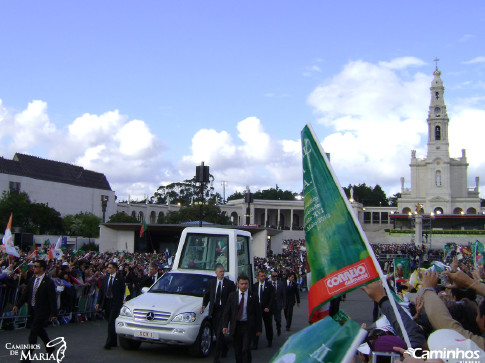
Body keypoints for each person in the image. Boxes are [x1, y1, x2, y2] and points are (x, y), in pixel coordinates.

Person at [12, 260, 58, 356]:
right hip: (33, 309)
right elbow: (26, 294)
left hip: (43, 311)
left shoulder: (48, 282)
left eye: (36, 266)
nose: (34, 268)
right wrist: (17, 305)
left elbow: (52, 299)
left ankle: (27, 355)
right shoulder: (32, 280)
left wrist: (54, 313)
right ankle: (50, 347)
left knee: (33, 332)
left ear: (42, 268)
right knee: (39, 330)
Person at [222, 275, 262, 363]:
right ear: (238, 284)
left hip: (248, 326)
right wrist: (225, 325)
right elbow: (227, 311)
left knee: (246, 349)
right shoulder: (232, 296)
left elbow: (258, 314)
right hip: (236, 325)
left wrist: (259, 329)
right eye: (242, 284)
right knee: (237, 350)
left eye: (246, 284)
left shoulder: (253, 296)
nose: (244, 286)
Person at [201, 263, 236, 363]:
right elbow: (207, 295)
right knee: (216, 332)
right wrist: (204, 305)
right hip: (214, 310)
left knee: (220, 333)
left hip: (224, 311)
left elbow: (233, 297)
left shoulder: (230, 284)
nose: (222, 273)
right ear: (216, 273)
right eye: (220, 272)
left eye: (223, 271)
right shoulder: (212, 283)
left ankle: (216, 357)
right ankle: (224, 348)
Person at [95, 262, 126, 350]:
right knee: (109, 321)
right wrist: (98, 302)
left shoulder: (120, 279)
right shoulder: (106, 278)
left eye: (110, 268)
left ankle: (108, 343)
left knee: (111, 322)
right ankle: (113, 341)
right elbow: (101, 291)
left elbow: (122, 291)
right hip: (107, 302)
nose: (108, 269)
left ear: (115, 269)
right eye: (108, 268)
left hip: (115, 303)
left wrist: (121, 301)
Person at [252, 270, 275, 348]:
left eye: (264, 276)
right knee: (256, 326)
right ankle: (255, 343)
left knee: (268, 325)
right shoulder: (254, 286)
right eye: (261, 276)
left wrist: (268, 307)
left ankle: (270, 341)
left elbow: (272, 298)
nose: (263, 277)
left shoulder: (270, 286)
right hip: (257, 308)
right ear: (258, 277)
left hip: (266, 309)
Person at [270, 271, 286, 336]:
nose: (275, 277)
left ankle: (278, 328)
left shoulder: (281, 284)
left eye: (276, 276)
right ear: (271, 277)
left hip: (278, 304)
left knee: (278, 319)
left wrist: (284, 304)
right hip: (270, 305)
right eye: (273, 276)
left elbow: (284, 295)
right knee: (269, 320)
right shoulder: (268, 283)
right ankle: (270, 332)